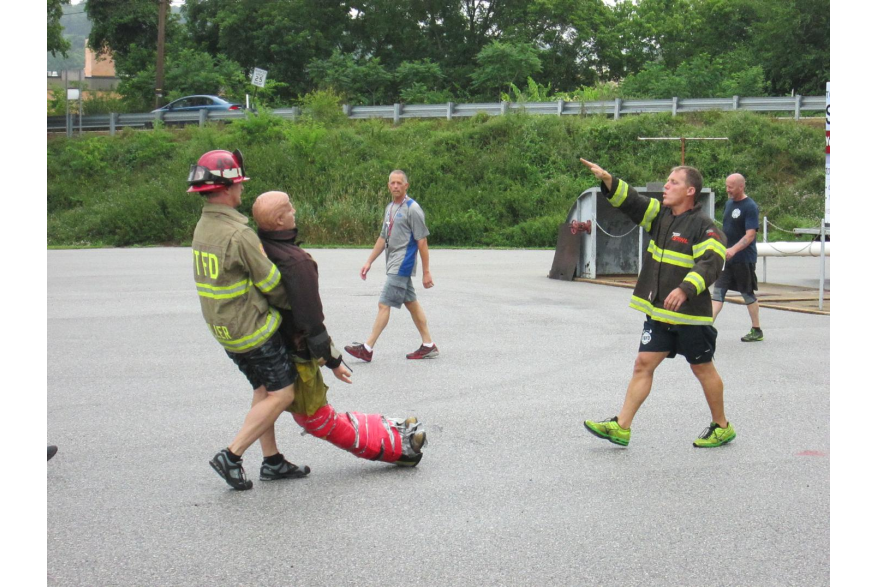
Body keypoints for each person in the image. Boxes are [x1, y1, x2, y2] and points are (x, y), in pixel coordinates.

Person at [253, 192, 427, 467]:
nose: (295, 210)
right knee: (317, 418)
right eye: (289, 208)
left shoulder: (256, 248)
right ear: (278, 219)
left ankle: (391, 428)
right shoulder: (296, 262)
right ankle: (398, 448)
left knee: (270, 402)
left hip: (267, 346)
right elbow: (311, 322)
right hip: (294, 351)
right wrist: (332, 360)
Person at [580, 159, 737, 449]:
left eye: (673, 182)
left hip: (690, 316)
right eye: (667, 181)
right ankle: (621, 427)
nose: (666, 186)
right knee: (643, 364)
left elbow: (712, 262)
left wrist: (685, 289)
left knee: (702, 369)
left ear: (690, 191)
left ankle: (722, 426)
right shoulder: (661, 216)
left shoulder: (705, 227)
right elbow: (634, 203)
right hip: (660, 313)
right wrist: (608, 179)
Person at [188, 150, 309, 491]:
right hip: (252, 330)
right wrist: (298, 309)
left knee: (263, 390)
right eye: (239, 184)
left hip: (226, 331)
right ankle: (232, 455)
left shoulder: (204, 226)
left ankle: (271, 462)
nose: (242, 190)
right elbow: (271, 283)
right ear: (226, 188)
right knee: (283, 394)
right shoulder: (238, 234)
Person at [345, 171, 438, 362]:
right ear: (388, 186)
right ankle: (428, 345)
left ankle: (367, 348)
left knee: (383, 304)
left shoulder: (413, 209)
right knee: (411, 303)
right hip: (393, 262)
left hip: (402, 264)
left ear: (406, 186)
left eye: (399, 183)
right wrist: (369, 261)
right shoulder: (390, 208)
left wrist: (426, 272)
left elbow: (422, 242)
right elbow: (383, 237)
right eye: (392, 183)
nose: (395, 186)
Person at [712, 173, 763, 342]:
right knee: (718, 292)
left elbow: (750, 235)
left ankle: (756, 330)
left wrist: (733, 250)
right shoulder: (728, 204)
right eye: (727, 186)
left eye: (731, 187)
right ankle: (705, 328)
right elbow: (727, 230)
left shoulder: (750, 207)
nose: (727, 190)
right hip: (727, 259)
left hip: (744, 259)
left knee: (747, 294)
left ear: (741, 187)